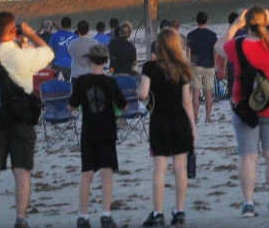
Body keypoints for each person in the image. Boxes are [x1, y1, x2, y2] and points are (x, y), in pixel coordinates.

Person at [0, 12, 53, 228]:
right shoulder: (25, 56)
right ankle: (20, 218)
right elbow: (48, 52)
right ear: (14, 32)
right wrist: (29, 33)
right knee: (22, 171)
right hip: (21, 116)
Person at [217, 6, 269, 218]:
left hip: (245, 106)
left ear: (247, 24)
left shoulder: (237, 45)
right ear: (265, 22)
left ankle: (248, 204)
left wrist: (235, 25)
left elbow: (219, 46)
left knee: (248, 157)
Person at [138, 28, 196, 227]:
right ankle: (179, 212)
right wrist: (193, 128)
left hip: (159, 122)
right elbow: (187, 101)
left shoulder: (150, 67)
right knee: (180, 168)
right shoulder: (183, 68)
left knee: (159, 169)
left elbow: (143, 94)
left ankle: (158, 213)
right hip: (180, 121)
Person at [68, 43, 127, 228]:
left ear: (89, 60)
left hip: (89, 132)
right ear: (106, 60)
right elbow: (123, 105)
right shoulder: (110, 82)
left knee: (87, 174)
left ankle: (83, 216)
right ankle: (106, 214)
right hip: (107, 131)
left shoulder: (82, 81)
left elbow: (71, 106)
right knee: (106, 173)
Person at [186, 12, 218, 124]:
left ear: (196, 20)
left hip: (196, 66)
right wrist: (215, 63)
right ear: (207, 20)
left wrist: (189, 64)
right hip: (209, 66)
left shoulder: (191, 35)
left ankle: (195, 118)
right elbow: (215, 50)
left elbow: (188, 52)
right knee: (208, 93)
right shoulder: (212, 35)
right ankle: (208, 118)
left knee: (196, 93)